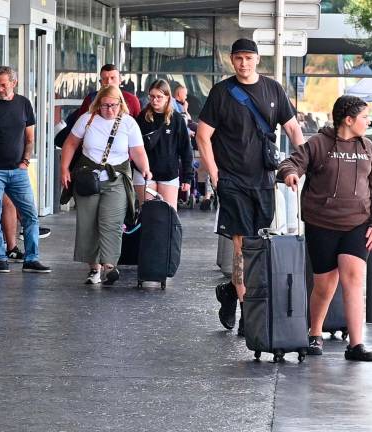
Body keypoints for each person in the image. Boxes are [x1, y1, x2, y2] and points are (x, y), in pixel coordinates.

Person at [196, 38, 305, 335]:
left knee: (259, 243)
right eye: (238, 58)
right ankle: (248, 313)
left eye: (248, 57)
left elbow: (293, 127)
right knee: (242, 244)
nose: (243, 63)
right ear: (232, 61)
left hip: (264, 180)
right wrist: (216, 176)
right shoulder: (222, 92)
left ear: (258, 59)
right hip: (232, 181)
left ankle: (231, 292)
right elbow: (203, 136)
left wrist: (307, 159)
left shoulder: (273, 89)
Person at [278, 95, 372, 360]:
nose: (368, 121)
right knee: (325, 285)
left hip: (357, 224)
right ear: (348, 120)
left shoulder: (368, 148)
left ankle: (356, 344)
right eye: (364, 117)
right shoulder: (318, 143)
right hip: (322, 223)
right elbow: (290, 162)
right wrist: (290, 174)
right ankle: (315, 334)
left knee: (353, 279)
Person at [60, 85, 151, 285]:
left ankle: (109, 266)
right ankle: (94, 268)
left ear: (121, 104)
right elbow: (71, 143)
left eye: (113, 105)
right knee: (88, 223)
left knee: (112, 222)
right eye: (105, 105)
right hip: (87, 177)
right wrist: (64, 169)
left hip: (116, 178)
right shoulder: (87, 119)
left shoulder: (128, 123)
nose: (109, 109)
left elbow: (137, 151)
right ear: (98, 104)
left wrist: (145, 169)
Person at [0, 65, 51, 274]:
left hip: (18, 170)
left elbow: (30, 137)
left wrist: (25, 161)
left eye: (3, 84)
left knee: (30, 214)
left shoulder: (24, 103)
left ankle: (32, 258)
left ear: (13, 83)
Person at [135, 79, 193, 210]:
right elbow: (134, 146)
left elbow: (185, 149)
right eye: (152, 96)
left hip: (169, 173)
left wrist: (188, 177)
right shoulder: (142, 117)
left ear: (168, 97)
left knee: (169, 215)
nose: (155, 100)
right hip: (145, 173)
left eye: (159, 97)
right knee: (148, 215)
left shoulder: (177, 119)